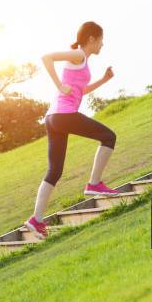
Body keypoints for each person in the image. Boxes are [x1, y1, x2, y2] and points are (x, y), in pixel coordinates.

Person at [25, 21, 118, 239]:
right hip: (64, 116)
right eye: (101, 40)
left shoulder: (81, 61)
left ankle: (36, 220)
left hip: (53, 118)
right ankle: (94, 184)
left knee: (54, 171)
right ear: (92, 39)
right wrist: (58, 85)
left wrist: (104, 80)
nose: (102, 45)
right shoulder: (78, 55)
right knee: (108, 136)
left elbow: (80, 90)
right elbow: (46, 57)